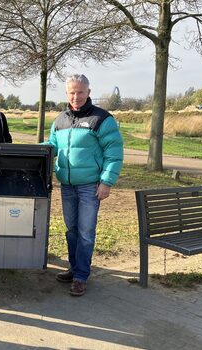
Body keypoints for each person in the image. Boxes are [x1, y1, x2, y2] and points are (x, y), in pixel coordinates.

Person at [44, 74, 123, 297]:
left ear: (89, 92)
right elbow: (50, 147)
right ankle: (74, 268)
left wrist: (106, 182)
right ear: (67, 93)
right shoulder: (59, 121)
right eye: (72, 92)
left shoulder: (102, 119)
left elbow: (114, 153)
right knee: (71, 231)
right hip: (67, 186)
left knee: (86, 232)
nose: (76, 96)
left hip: (90, 186)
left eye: (80, 92)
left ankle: (81, 276)